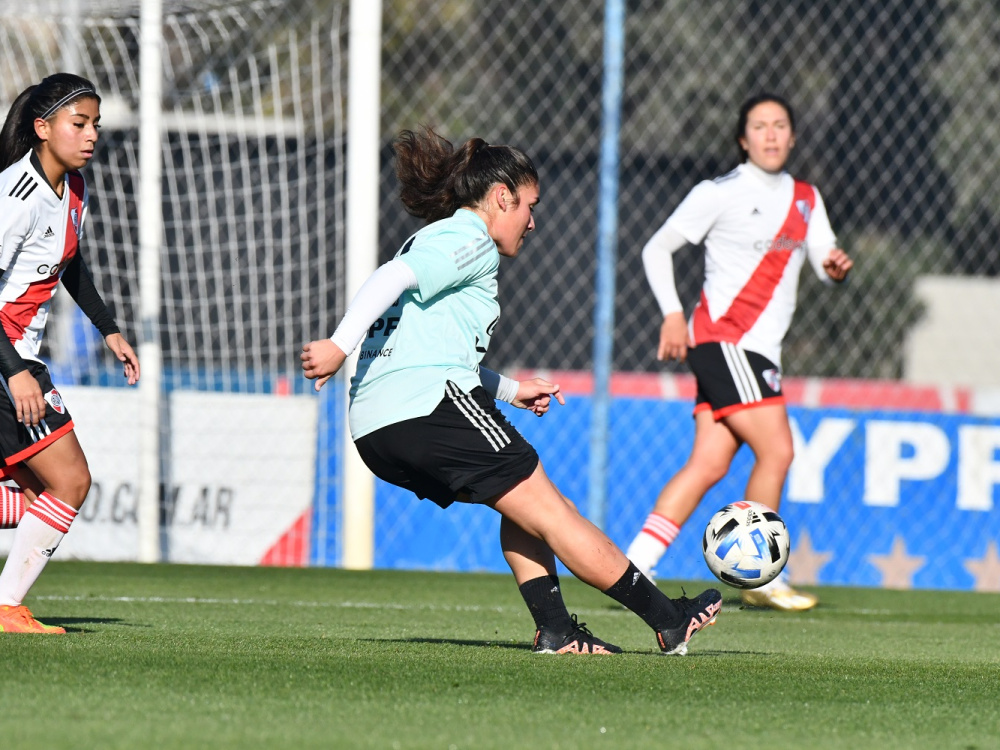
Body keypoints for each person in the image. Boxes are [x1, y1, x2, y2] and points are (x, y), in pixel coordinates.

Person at [302, 127, 721, 655]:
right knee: (553, 512)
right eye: (529, 205)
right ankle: (668, 619)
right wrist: (340, 344)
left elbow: (434, 353)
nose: (533, 220)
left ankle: (558, 632)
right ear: (502, 197)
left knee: (527, 507)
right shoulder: (469, 237)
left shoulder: (439, 238)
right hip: (424, 408)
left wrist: (512, 389)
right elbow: (393, 275)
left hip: (377, 427)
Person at [625, 94, 852, 612]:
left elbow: (821, 259)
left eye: (780, 126)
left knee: (707, 463)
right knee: (779, 450)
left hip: (757, 351)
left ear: (792, 136)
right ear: (742, 139)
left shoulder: (806, 198)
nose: (771, 134)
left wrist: (833, 266)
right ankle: (759, 577)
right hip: (727, 342)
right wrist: (672, 313)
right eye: (759, 126)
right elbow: (656, 248)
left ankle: (635, 563)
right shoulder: (719, 192)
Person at [0, 73, 140, 633]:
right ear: (42, 128)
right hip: (6, 361)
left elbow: (69, 263)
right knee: (71, 483)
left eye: (95, 126)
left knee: (43, 496)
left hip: (16, 361)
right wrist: (15, 373)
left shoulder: (73, 189)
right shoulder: (15, 196)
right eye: (78, 124)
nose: (90, 136)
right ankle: (6, 608)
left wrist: (108, 329)